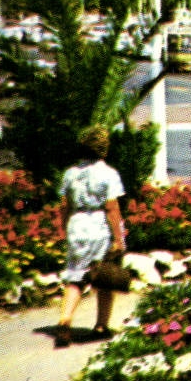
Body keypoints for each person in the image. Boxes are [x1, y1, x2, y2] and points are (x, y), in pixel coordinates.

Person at [54, 125, 128, 348]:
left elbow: (64, 205)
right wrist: (118, 238)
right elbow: (112, 208)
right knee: (103, 275)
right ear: (104, 151)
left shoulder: (70, 173)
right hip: (99, 225)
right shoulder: (109, 174)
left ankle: (65, 320)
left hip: (77, 223)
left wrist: (65, 228)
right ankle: (101, 325)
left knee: (75, 276)